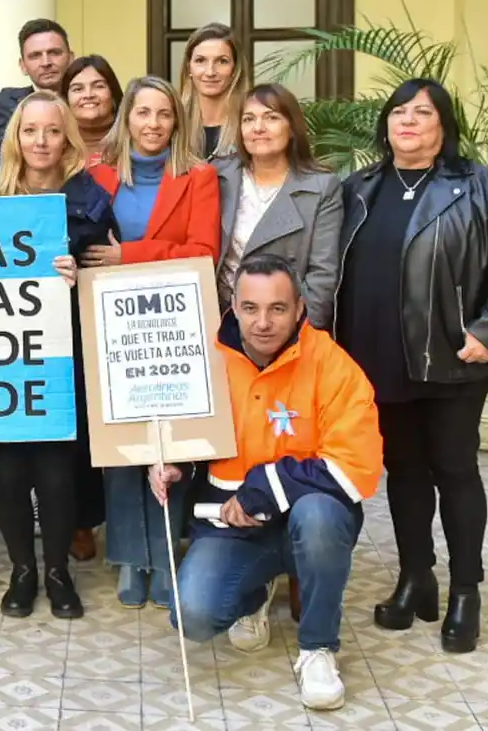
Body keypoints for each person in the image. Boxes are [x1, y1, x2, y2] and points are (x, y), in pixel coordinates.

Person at [335, 79, 488, 654]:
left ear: (443, 126)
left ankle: (465, 592)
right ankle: (416, 579)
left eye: (421, 113)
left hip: (454, 359)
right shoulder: (360, 189)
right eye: (398, 112)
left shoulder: (483, 188)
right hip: (377, 356)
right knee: (402, 470)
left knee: (453, 469)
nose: (407, 122)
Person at [158, 254, 383, 712]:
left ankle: (318, 648)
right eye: (251, 308)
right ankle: (254, 594)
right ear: (234, 306)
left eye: (277, 308)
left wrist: (266, 485)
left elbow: (357, 466)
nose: (263, 322)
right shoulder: (203, 355)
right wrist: (170, 460)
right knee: (194, 616)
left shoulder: (333, 365)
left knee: (318, 516)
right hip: (232, 525)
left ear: (300, 308)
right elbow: (183, 430)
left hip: (309, 519)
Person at [0, 91, 114, 619]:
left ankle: (57, 571)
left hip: (61, 351)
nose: (41, 141)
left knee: (56, 470)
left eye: (52, 131)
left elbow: (105, 275)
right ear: (16, 136)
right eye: (31, 130)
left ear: (67, 137)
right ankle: (21, 569)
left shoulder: (91, 198)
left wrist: (83, 279)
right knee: (6, 470)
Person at [89, 74, 220, 608]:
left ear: (177, 121)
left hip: (176, 322)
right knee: (121, 442)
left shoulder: (200, 177)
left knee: (174, 441)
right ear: (128, 119)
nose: (153, 124)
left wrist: (132, 254)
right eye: (143, 113)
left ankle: (166, 556)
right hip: (112, 323)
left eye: (164, 114)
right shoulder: (97, 175)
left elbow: (203, 252)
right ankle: (129, 559)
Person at [215, 84, 342, 328]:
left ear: (292, 127)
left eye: (271, 117)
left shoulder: (322, 187)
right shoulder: (218, 176)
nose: (258, 128)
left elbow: (322, 276)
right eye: (248, 119)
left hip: (284, 328)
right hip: (221, 322)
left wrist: (298, 336)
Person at [0, 19, 73, 156]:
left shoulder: (86, 101)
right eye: (35, 56)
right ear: (23, 66)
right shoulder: (3, 104)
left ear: (71, 58)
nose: (46, 63)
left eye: (54, 53)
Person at [176, 23, 249, 160]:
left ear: (235, 69)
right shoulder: (173, 124)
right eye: (200, 60)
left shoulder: (250, 125)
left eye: (222, 61)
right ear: (188, 68)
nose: (210, 72)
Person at [61, 54, 123, 162]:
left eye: (98, 86)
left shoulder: (134, 142)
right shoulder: (56, 145)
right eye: (78, 89)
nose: (88, 95)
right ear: (66, 99)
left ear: (113, 93)